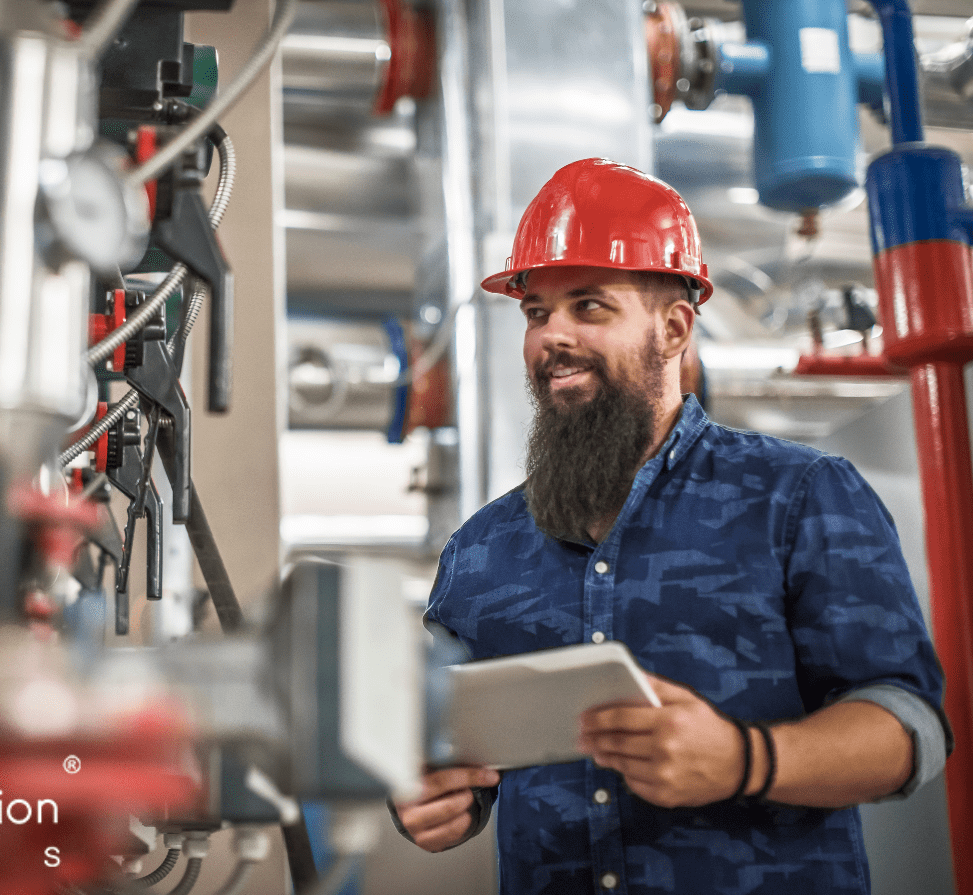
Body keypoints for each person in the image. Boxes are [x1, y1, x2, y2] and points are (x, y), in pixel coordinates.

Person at [390, 158, 950, 894]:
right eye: (536, 312)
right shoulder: (481, 550)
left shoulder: (799, 497)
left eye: (589, 306)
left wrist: (748, 759)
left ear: (674, 327)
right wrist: (426, 799)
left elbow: (909, 728)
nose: (551, 336)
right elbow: (439, 744)